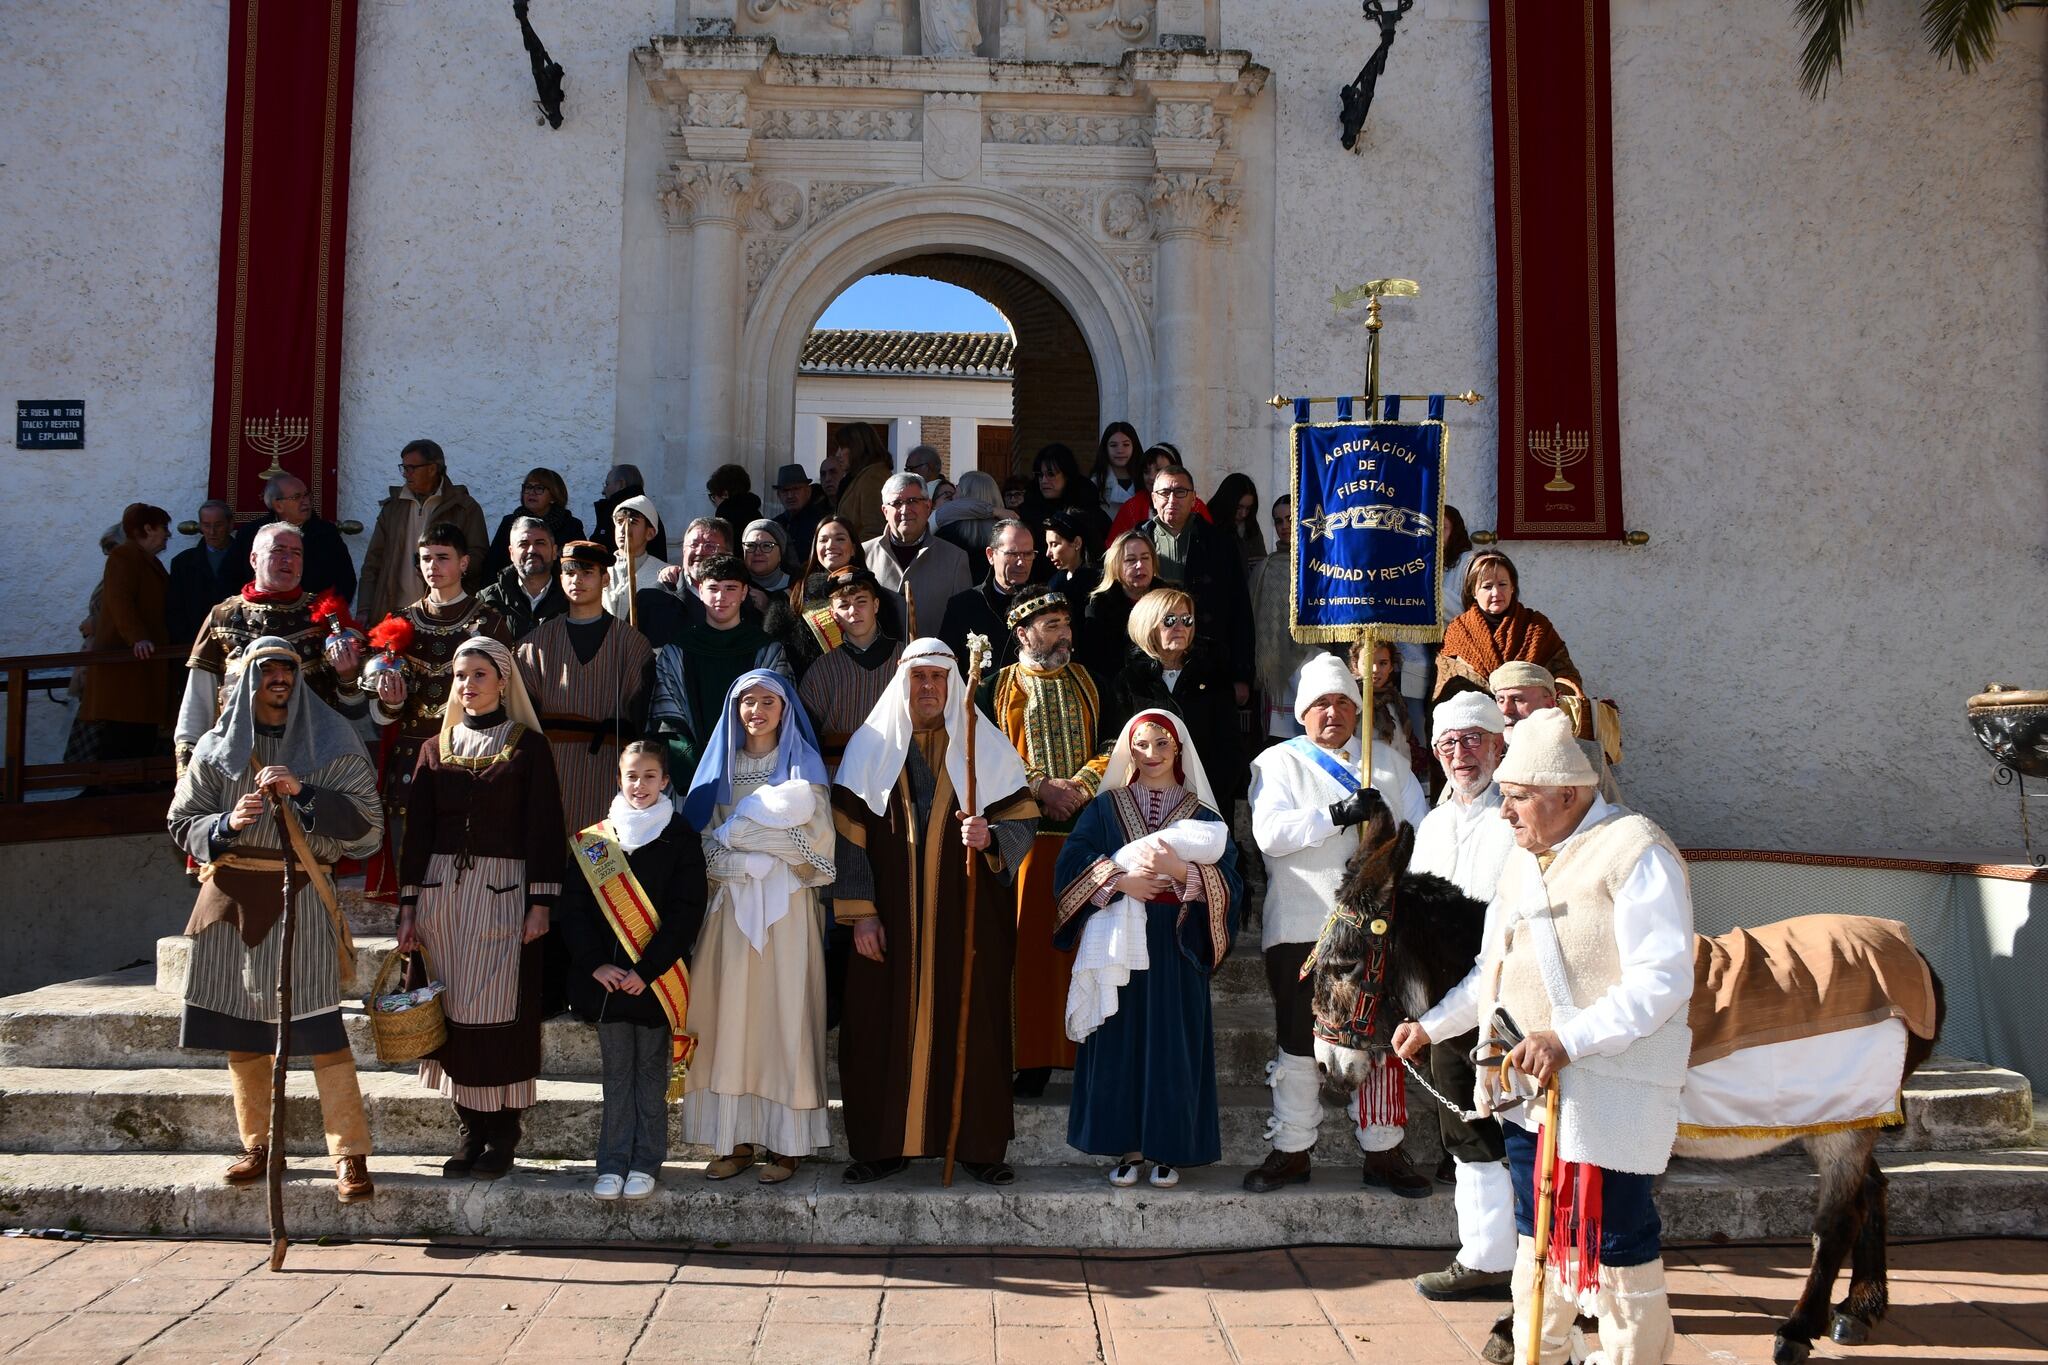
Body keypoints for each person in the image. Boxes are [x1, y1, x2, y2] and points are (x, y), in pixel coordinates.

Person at [1393, 707, 1694, 1365]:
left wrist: (1568, 1039)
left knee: (1615, 1243)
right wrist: (1433, 1023)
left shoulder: (1637, 850)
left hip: (1611, 1091)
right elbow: (1491, 973)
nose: (1505, 813)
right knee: (1539, 1236)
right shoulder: (1524, 860)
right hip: (1530, 1094)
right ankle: (1541, 1352)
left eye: (1518, 797)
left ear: (1567, 793)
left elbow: (1664, 979)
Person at [168, 640, 382, 1203]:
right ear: (248, 681)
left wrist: (304, 792)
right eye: (268, 669)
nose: (279, 678)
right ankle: (259, 1145)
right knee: (243, 1031)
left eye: (288, 668)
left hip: (303, 893)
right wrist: (224, 824)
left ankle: (349, 1156)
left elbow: (369, 826)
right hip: (231, 898)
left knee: (319, 1029)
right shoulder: (216, 749)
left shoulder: (331, 739)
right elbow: (180, 821)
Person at [828, 639, 1038, 1185]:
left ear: (952, 684)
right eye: (918, 677)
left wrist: (990, 836)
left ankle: (976, 1144)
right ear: (903, 682)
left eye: (938, 678)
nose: (927, 688)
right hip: (889, 921)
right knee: (878, 1024)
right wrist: (862, 912)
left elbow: (1022, 820)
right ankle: (882, 1145)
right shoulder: (869, 746)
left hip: (968, 918)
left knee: (975, 1019)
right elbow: (848, 836)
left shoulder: (981, 744)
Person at [1242, 653, 1429, 1197]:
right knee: (1300, 1039)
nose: (1333, 713)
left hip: (1377, 929)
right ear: (1302, 713)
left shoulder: (1390, 766)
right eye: (1321, 703)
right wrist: (1336, 814)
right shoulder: (1276, 764)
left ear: (1359, 710)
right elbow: (1270, 834)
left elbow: (1423, 836)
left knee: (1380, 1036)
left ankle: (1384, 1149)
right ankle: (1292, 1148)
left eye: (1344, 702)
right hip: (1304, 923)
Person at [396, 636, 566, 1180]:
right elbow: (415, 835)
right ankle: (469, 1128)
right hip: (443, 898)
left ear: (503, 681)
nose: (468, 686)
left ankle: (504, 1134)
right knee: (453, 1014)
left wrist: (540, 904)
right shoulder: (433, 748)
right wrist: (408, 909)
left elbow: (544, 830)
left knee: (501, 1014)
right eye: (460, 677)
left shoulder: (528, 748)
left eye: (479, 675)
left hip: (505, 895)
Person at [1054, 710, 1241, 1188]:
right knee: (1120, 1039)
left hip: (1176, 941)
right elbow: (1072, 860)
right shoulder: (1104, 807)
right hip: (1119, 939)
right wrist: (1121, 881)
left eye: (1162, 744)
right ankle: (1128, 1148)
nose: (1152, 754)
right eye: (1142, 745)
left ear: (1178, 749)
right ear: (1128, 750)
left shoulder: (1203, 814)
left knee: (1172, 1044)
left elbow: (1235, 881)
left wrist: (1183, 875)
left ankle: (1168, 1148)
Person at [679, 670, 837, 1183]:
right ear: (734, 710)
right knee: (730, 1023)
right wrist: (738, 860)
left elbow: (817, 852)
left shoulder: (804, 770)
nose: (757, 710)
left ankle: (786, 1144)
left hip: (788, 916)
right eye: (747, 701)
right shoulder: (717, 771)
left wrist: (743, 837)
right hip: (728, 911)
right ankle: (735, 1139)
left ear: (785, 709)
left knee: (784, 1019)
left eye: (768, 701)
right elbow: (702, 848)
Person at [1405, 691, 1520, 1328]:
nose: (1460, 754)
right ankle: (1484, 1256)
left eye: (1473, 740)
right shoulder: (1435, 824)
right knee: (1464, 1130)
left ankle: (1509, 1261)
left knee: (1503, 1131)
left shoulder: (1518, 818)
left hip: (1502, 1004)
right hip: (1444, 1005)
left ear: (1499, 745)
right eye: (1448, 744)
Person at [558, 741, 708, 1201]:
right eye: (631, 776)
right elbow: (575, 910)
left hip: (657, 982)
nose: (639, 785)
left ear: (665, 781)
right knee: (616, 1074)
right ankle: (612, 1162)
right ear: (618, 780)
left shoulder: (680, 835)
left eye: (649, 776)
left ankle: (646, 1162)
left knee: (650, 1075)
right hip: (606, 985)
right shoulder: (596, 842)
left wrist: (647, 969)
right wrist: (594, 964)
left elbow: (687, 912)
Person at [975, 590, 1108, 1096]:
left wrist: (1079, 786)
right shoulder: (994, 688)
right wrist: (1040, 787)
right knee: (1029, 953)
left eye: (1066, 624)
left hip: (1087, 840)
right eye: (1051, 625)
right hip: (1022, 841)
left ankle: (1084, 1054)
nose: (1063, 635)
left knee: (1084, 950)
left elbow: (1117, 741)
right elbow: (984, 750)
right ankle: (1029, 1058)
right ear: (1023, 632)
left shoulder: (1092, 683)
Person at [364, 524, 515, 902]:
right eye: (426, 558)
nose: (433, 566)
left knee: (463, 874)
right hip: (410, 762)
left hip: (472, 757)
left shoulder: (490, 623)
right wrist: (392, 702)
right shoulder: (398, 623)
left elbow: (506, 698)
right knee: (409, 875)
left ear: (463, 563)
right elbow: (381, 712)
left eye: (443, 557)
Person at [176, 523, 369, 771]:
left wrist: (348, 676)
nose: (288, 559)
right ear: (254, 559)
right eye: (278, 550)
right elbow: (198, 700)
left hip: (312, 758)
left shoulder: (324, 617)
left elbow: (353, 708)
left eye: (296, 553)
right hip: (238, 762)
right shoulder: (222, 616)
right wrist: (187, 765)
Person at [516, 540, 653, 835]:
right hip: (550, 770)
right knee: (549, 860)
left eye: (587, 572)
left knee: (601, 865)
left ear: (605, 578)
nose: (576, 580)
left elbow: (642, 720)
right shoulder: (535, 643)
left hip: (608, 771)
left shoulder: (632, 644)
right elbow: (521, 720)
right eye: (568, 572)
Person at [1101, 587, 1249, 815]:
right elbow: (1117, 749)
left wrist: (1204, 801)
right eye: (1170, 620)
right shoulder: (1128, 681)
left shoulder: (1213, 676)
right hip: (1145, 808)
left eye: (1186, 619)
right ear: (1147, 625)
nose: (1180, 627)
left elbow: (1230, 750)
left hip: (1206, 805)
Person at [647, 554, 791, 787]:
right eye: (713, 588)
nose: (721, 597)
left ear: (744, 593)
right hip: (693, 774)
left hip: (756, 772)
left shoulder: (767, 650)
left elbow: (778, 714)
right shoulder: (678, 651)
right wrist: (696, 766)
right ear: (700, 590)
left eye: (731, 588)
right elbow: (669, 721)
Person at [1138, 464, 1253, 707]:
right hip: (1150, 658)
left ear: (1193, 498)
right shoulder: (1138, 541)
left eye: (1180, 492)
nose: (1172, 499)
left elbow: (1239, 610)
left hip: (1209, 658)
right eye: (1164, 493)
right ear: (1153, 498)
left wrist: (1242, 675)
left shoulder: (1219, 543)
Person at [356, 440, 490, 625]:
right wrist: (364, 608)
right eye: (403, 467)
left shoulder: (464, 508)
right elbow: (373, 562)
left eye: (411, 468)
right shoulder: (393, 508)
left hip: (442, 614)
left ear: (432, 469)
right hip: (393, 613)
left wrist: (448, 573)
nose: (405, 474)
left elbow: (478, 557)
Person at [82, 502, 172, 760]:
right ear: (147, 528)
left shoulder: (146, 561)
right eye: (163, 527)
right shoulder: (124, 557)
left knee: (139, 737)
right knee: (123, 738)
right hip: (127, 669)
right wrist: (138, 638)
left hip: (141, 668)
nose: (167, 534)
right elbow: (120, 602)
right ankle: (115, 795)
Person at [1434, 550, 1584, 704]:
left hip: (1532, 720)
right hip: (1477, 721)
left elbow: (1565, 672)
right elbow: (1444, 688)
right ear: (1473, 591)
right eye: (1487, 586)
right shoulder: (1457, 632)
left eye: (1502, 584)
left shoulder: (1537, 626)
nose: (1496, 592)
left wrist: (1557, 691)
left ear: (1512, 587)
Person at [797, 566, 904, 757]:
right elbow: (805, 736)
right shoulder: (822, 671)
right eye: (844, 605)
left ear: (876, 605)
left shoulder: (906, 660)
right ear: (834, 613)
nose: (853, 611)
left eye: (861, 601)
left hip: (897, 773)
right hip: (838, 775)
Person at [1394, 503, 1472, 741]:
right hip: (1417, 654)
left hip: (1456, 652)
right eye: (1430, 529)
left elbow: (1465, 610)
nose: (1436, 535)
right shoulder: (1416, 562)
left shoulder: (1469, 562)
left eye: (1444, 528)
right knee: (1419, 728)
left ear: (1455, 531)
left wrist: (1419, 590)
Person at [1491, 661, 1620, 802]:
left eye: (1517, 699)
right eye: (1500, 700)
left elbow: (1615, 813)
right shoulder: (1485, 754)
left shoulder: (1586, 754)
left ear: (1549, 705)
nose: (1505, 710)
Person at [863, 473, 973, 634]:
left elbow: (964, 622)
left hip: (934, 658)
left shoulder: (955, 558)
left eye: (913, 501)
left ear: (928, 507)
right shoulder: (864, 554)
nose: (905, 510)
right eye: (897, 503)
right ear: (885, 511)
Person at [1248, 496, 1321, 740]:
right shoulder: (1266, 566)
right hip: (1276, 667)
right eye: (1278, 521)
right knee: (1281, 743)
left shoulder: (1323, 563)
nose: (1284, 526)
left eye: (1291, 519)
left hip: (1314, 658)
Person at [230, 473, 358, 602]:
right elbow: (230, 578)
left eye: (307, 495)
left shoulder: (327, 534)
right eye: (297, 497)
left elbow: (345, 580)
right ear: (278, 505)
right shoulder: (250, 534)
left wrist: (325, 612)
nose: (306, 501)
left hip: (313, 615)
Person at [936, 519, 1037, 676]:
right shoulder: (963, 606)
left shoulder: (1044, 605)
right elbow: (947, 666)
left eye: (1028, 554)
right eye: (1013, 554)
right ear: (991, 555)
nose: (1021, 562)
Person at [1080, 529, 1157, 683]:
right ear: (1115, 566)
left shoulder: (1171, 598)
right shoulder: (1099, 606)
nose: (1139, 565)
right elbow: (1096, 661)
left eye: (1145, 558)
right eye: (1130, 560)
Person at [483, 467, 586, 580]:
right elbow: (492, 565)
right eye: (528, 487)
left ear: (553, 496)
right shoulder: (510, 523)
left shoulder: (571, 526)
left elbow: (580, 565)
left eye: (539, 488)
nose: (531, 492)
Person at [477, 515, 569, 640]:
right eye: (523, 544)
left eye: (540, 543)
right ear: (511, 553)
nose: (532, 550)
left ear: (554, 551)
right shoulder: (487, 600)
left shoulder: (572, 598)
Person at [167, 500, 242, 647]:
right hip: (195, 642)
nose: (212, 531)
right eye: (206, 525)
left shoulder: (247, 558)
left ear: (230, 524)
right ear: (200, 526)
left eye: (218, 525)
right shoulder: (183, 562)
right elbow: (175, 608)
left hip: (238, 640)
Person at [1354, 637, 1426, 780]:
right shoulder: (1351, 700)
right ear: (1355, 665)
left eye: (1383, 663)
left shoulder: (1395, 700)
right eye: (1368, 663)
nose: (1375, 670)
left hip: (1401, 779)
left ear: (1391, 666)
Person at [1106, 444, 1209, 540]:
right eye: (1146, 471)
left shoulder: (1196, 506)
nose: (1151, 477)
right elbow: (1114, 548)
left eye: (1159, 470)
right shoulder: (1132, 507)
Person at [1019, 444, 1107, 550]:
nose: (1044, 481)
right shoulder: (1029, 509)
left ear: (1067, 476)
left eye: (1051, 474)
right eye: (1040, 475)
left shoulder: (1087, 509)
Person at [602, 495, 672, 624]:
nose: (623, 529)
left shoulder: (663, 575)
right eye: (619, 522)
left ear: (650, 533)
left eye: (632, 522)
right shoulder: (600, 569)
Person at [594, 463, 669, 563]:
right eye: (619, 522)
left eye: (607, 484)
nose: (603, 490)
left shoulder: (621, 510)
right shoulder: (648, 512)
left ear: (621, 484)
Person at [832, 424, 893, 544]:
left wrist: (854, 556)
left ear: (857, 447)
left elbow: (874, 530)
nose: (837, 454)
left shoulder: (873, 477)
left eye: (842, 447)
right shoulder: (860, 477)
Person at [931, 468, 1004, 561]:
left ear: (964, 495)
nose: (953, 497)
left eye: (957, 489)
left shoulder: (947, 533)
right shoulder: (1007, 533)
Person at [771, 463, 830, 564]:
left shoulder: (823, 522)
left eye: (796, 489)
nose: (790, 495)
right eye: (785, 491)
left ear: (808, 491)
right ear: (779, 495)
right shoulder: (775, 525)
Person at [1042, 508, 1094, 621]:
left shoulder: (1098, 584)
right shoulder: (1054, 582)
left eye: (1054, 544)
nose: (1048, 553)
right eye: (1047, 545)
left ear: (1077, 543)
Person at [1209, 472, 1265, 573]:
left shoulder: (1251, 525)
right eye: (1239, 507)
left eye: (1248, 508)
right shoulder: (1207, 523)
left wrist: (1263, 563)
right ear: (1227, 503)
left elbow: (1260, 556)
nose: (1243, 514)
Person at [1089, 421, 1143, 519]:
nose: (1120, 450)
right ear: (1105, 449)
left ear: (1134, 447)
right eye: (1113, 445)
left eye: (1126, 445)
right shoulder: (1096, 483)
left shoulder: (1145, 479)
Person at [739, 518, 793, 603]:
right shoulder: (733, 586)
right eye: (750, 545)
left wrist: (766, 608)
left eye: (767, 546)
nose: (757, 552)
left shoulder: (798, 588)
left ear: (780, 553)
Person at [707, 462, 765, 531]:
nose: (715, 502)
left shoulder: (724, 516)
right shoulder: (757, 516)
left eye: (713, 496)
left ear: (725, 494)